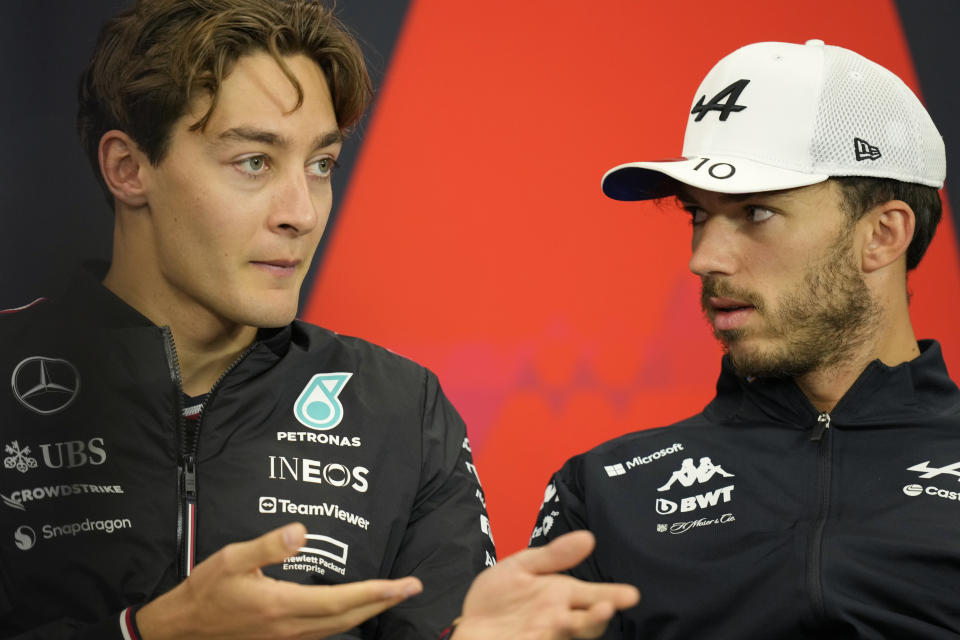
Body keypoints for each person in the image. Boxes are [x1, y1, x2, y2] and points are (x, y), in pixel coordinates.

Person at [0, 1, 637, 638]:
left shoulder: (401, 410)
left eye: (321, 165)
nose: (301, 213)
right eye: (255, 161)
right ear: (128, 169)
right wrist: (151, 633)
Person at [529, 39, 960, 638]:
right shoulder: (606, 492)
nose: (704, 258)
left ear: (883, 235)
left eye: (756, 212)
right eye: (697, 215)